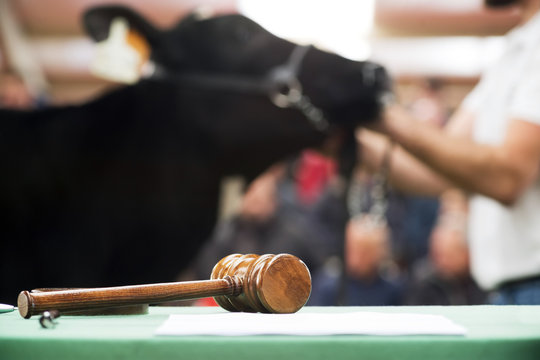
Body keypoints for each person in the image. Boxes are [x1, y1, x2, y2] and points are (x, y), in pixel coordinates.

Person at [357, 0, 540, 304]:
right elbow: (436, 170)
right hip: (510, 291)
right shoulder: (515, 52)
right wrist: (339, 138)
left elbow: (509, 177)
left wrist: (381, 111)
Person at [405, 190, 487, 305]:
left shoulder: (484, 283)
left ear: (468, 253)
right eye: (437, 254)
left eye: (449, 256)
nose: (441, 262)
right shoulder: (424, 283)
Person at [308, 214, 404, 306]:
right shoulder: (329, 286)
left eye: (365, 252)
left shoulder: (392, 288)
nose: (355, 257)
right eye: (353, 249)